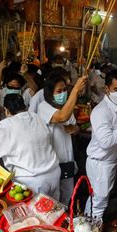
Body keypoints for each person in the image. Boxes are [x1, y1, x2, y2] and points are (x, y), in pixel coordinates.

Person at [0, 94, 61, 198]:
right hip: (53, 174)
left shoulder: (6, 125)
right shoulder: (37, 117)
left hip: (31, 180)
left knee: (35, 212)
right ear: (24, 107)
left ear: (6, 110)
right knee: (54, 210)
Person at [85, 70, 117, 219]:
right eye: (116, 89)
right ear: (106, 89)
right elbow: (106, 142)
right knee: (98, 203)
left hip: (108, 163)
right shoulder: (101, 111)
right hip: (100, 164)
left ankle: (86, 229)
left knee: (97, 200)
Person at [38, 75, 87, 204]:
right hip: (52, 161)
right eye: (59, 91)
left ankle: (65, 220)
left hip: (67, 159)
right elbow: (61, 117)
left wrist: (74, 129)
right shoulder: (44, 107)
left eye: (65, 90)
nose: (63, 94)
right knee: (53, 198)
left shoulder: (67, 106)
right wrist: (75, 90)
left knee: (67, 195)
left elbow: (74, 125)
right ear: (50, 93)